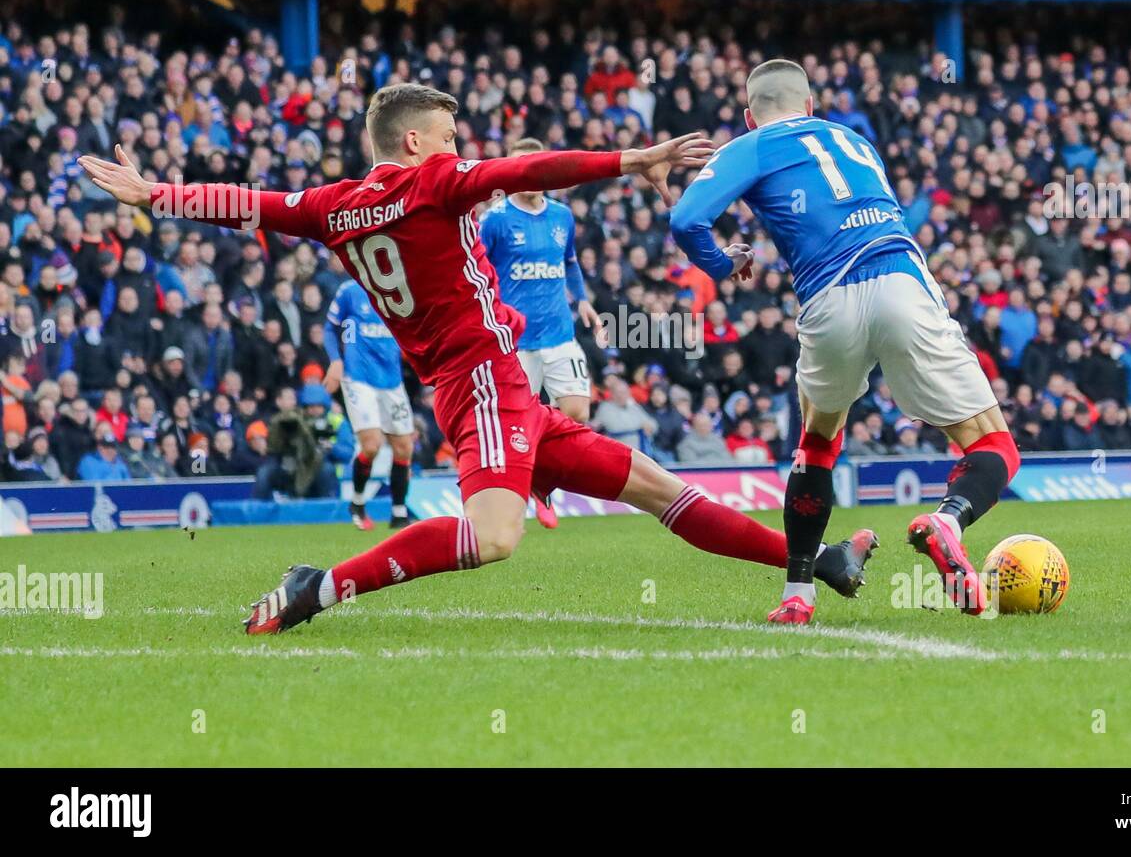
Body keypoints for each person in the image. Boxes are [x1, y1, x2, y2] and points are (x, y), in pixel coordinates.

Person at [79, 84, 870, 636]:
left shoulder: (333, 206)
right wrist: (630, 160)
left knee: (657, 486)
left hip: (499, 387)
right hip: (482, 384)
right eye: (450, 138)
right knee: (494, 539)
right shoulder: (435, 182)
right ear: (416, 143)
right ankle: (314, 588)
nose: (461, 151)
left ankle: (816, 559)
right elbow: (527, 172)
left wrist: (158, 195)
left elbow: (249, 203)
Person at [670, 58, 1016, 622]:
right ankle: (948, 520)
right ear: (810, 106)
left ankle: (797, 597)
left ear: (749, 116)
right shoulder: (855, 140)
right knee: (993, 445)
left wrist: (722, 261)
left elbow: (686, 221)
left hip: (828, 299)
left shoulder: (749, 146)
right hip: (901, 280)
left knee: (817, 445)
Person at [479, 136, 604, 528]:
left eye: (535, 167)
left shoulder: (562, 216)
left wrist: (582, 299)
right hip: (516, 340)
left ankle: (542, 480)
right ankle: (523, 487)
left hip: (560, 334)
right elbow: (478, 271)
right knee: (517, 422)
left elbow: (569, 262)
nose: (528, 176)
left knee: (577, 411)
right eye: (520, 168)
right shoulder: (495, 219)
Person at [323, 278, 416, 531]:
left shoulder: (400, 291)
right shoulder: (350, 291)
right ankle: (357, 502)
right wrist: (335, 360)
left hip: (391, 379)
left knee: (404, 447)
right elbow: (330, 328)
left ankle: (398, 513)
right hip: (358, 377)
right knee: (372, 445)